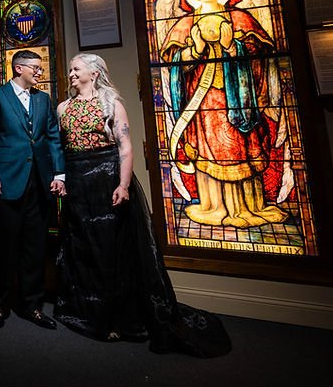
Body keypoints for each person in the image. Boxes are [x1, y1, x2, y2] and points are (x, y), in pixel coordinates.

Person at [53, 53, 231, 356]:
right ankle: (87, 311)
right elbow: (60, 148)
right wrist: (61, 178)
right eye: (70, 69)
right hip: (78, 184)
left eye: (76, 68)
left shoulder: (112, 104)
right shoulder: (63, 108)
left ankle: (116, 316)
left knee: (111, 249)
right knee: (82, 247)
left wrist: (123, 185)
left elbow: (125, 148)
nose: (70, 73)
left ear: (93, 74)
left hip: (107, 179)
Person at [159, 0, 287, 227]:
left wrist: (231, 46)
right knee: (207, 151)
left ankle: (249, 207)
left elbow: (259, 54)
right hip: (203, 101)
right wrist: (195, 50)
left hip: (237, 99)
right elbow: (175, 64)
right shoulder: (185, 24)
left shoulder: (240, 18)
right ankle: (212, 206)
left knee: (240, 147)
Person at [0, 50, 65, 329]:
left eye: (40, 68)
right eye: (35, 68)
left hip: (40, 182)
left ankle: (32, 306)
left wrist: (59, 174)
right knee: (5, 247)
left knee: (35, 247)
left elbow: (52, 138)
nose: (40, 72)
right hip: (6, 182)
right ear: (18, 68)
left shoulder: (43, 99)